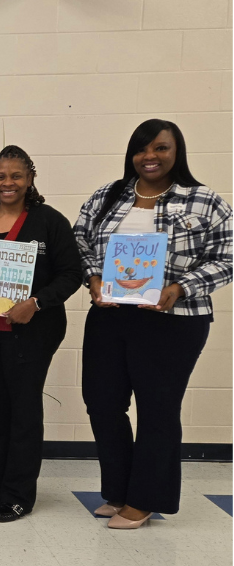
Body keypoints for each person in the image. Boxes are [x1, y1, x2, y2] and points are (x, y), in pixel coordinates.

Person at [74, 120, 232, 529]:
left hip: (173, 321)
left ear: (176, 152)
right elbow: (80, 241)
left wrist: (181, 287)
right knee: (102, 402)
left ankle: (145, 500)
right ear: (131, 153)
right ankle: (119, 491)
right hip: (110, 316)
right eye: (143, 149)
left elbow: (227, 258)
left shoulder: (204, 202)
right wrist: (92, 278)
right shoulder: (109, 197)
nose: (151, 156)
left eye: (161, 148)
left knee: (158, 408)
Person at [0, 145, 82, 522]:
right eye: (0, 176)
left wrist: (36, 303)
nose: (7, 183)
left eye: (16, 176)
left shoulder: (49, 222)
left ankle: (19, 495)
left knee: (23, 412)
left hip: (30, 334)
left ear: (30, 179)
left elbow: (71, 274)